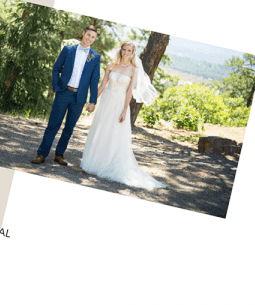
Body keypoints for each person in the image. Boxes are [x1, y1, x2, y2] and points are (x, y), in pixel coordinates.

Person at [81, 41, 165, 190]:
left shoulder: (133, 70)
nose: (126, 52)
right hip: (106, 100)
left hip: (119, 103)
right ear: (121, 50)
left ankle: (107, 163)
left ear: (133, 53)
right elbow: (102, 85)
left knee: (114, 133)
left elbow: (129, 92)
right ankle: (94, 162)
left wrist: (125, 110)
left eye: (129, 50)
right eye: (124, 50)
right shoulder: (111, 65)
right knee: (100, 130)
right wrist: (92, 101)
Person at [31, 25, 101, 166]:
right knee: (53, 125)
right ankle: (42, 154)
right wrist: (57, 87)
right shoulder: (68, 50)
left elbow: (94, 81)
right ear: (83, 34)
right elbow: (56, 68)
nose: (89, 38)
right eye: (88, 35)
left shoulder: (95, 57)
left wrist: (92, 101)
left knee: (69, 128)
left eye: (93, 37)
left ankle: (59, 155)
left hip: (79, 98)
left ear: (94, 39)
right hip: (64, 92)